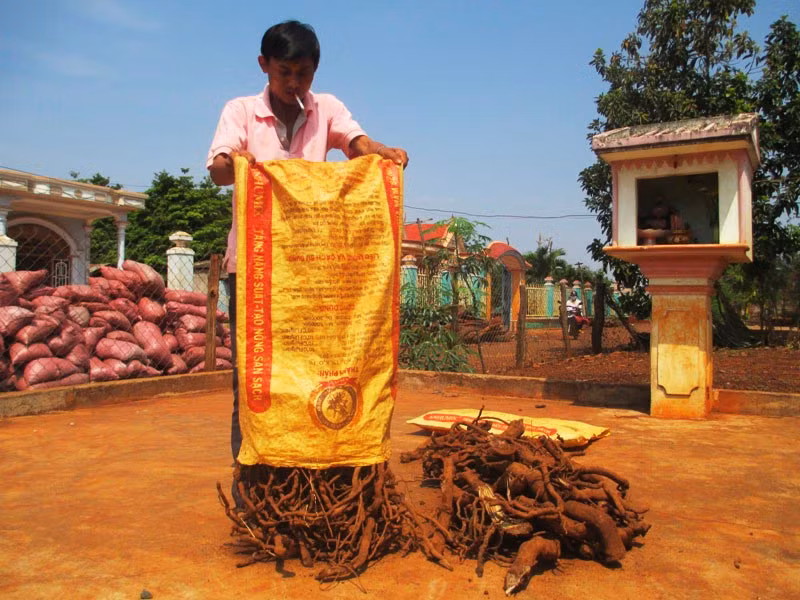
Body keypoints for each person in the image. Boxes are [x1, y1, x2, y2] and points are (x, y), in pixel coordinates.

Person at [206, 20, 408, 493]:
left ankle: (317, 481)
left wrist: (382, 152)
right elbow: (218, 170)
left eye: (303, 74)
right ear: (264, 66)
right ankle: (254, 488)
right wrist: (239, 164)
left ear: (315, 72)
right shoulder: (240, 111)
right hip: (255, 272)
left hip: (314, 269)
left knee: (316, 369)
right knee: (256, 380)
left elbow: (357, 144)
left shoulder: (328, 108)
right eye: (285, 72)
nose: (294, 83)